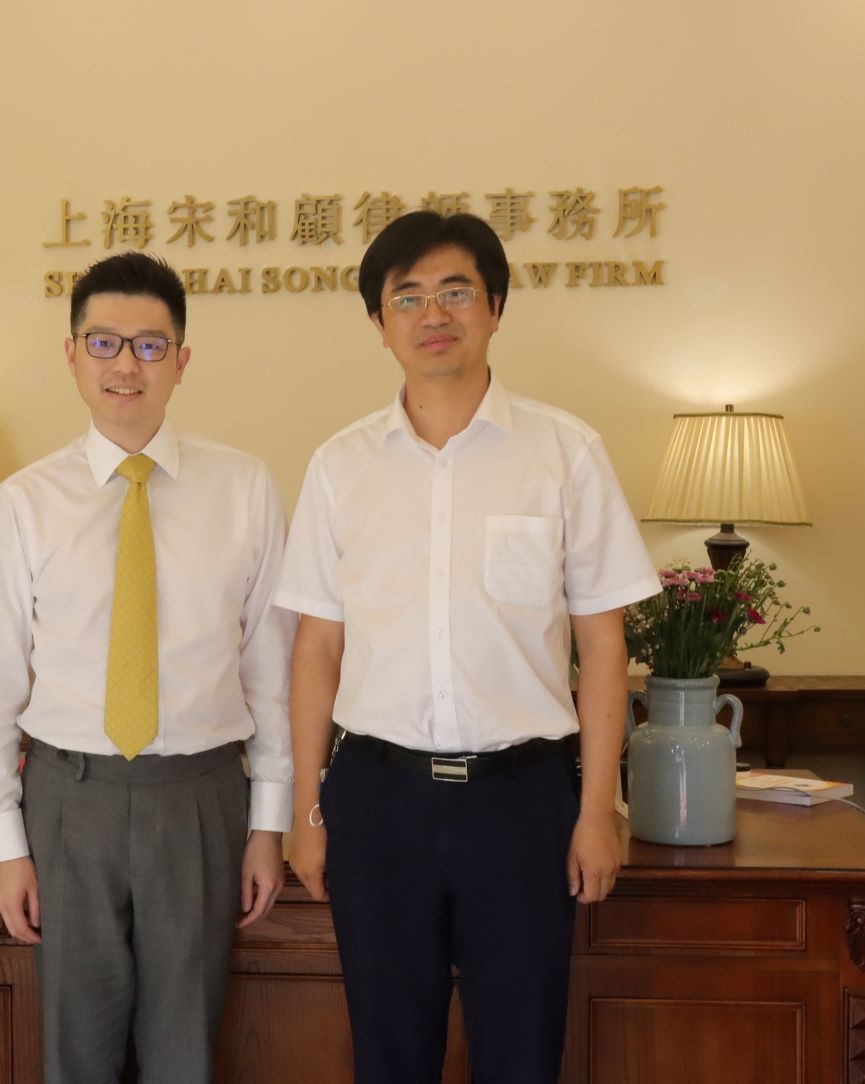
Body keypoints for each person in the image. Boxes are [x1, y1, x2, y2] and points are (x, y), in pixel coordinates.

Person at [277, 212, 660, 1082]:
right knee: (387, 1054)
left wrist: (595, 811)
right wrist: (309, 813)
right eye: (406, 297)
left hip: (522, 801)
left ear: (494, 308)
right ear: (378, 323)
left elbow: (602, 646)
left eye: (455, 292)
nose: (432, 314)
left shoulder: (564, 452)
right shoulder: (340, 466)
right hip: (378, 799)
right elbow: (316, 651)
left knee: (521, 1053)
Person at [0, 252, 294, 1082]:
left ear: (181, 361)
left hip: (199, 795)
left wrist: (268, 825)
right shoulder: (24, 501)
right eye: (103, 342)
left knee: (186, 1046)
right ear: (71, 354)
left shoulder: (245, 488)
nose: (125, 365)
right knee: (76, 1047)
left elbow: (270, 671)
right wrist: (5, 847)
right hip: (68, 800)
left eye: (150, 346)